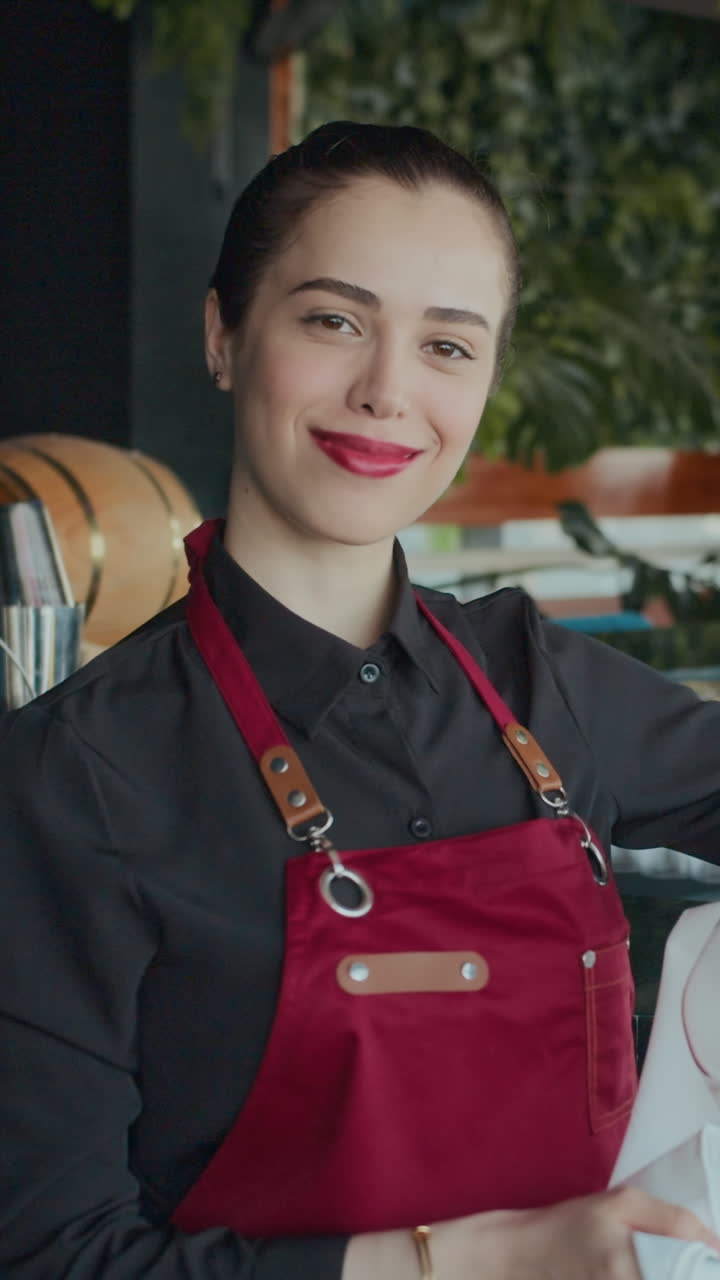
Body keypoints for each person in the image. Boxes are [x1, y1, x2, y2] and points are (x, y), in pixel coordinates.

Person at [1, 120, 720, 1280]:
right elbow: (53, 1256)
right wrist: (483, 1258)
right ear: (224, 334)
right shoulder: (76, 773)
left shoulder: (540, 681)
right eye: (334, 320)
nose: (389, 390)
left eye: (448, 345)